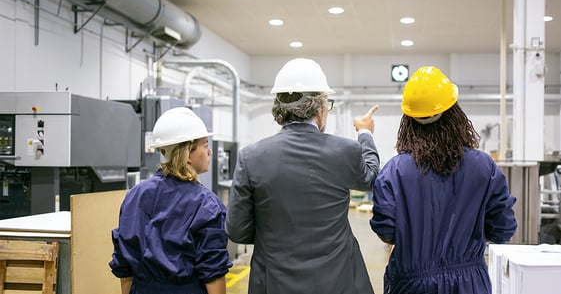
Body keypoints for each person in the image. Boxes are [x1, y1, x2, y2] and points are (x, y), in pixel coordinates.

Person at [226, 57, 380, 294]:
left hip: (274, 282)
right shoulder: (343, 151)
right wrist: (365, 134)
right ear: (319, 108)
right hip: (339, 282)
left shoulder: (250, 157)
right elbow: (370, 177)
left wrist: (273, 236)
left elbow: (237, 230)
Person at [370, 66, 517, 294]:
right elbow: (503, 228)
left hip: (412, 285)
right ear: (455, 114)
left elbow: (386, 231)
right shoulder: (483, 167)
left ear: (408, 121)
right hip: (469, 284)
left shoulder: (394, 172)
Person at [109, 107, 232, 294]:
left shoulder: (135, 195)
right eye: (205, 146)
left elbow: (125, 264)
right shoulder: (207, 204)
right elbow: (213, 272)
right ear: (188, 153)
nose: (210, 153)